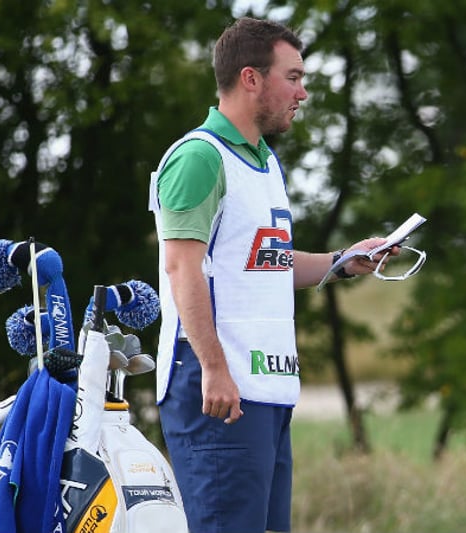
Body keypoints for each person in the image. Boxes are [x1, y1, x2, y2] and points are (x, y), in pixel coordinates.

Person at [147, 17, 393, 533]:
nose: (303, 92)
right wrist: (214, 369)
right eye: (294, 77)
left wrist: (342, 261)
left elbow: (270, 262)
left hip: (266, 390)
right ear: (251, 78)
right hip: (218, 389)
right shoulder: (199, 157)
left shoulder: (262, 161)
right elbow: (179, 266)